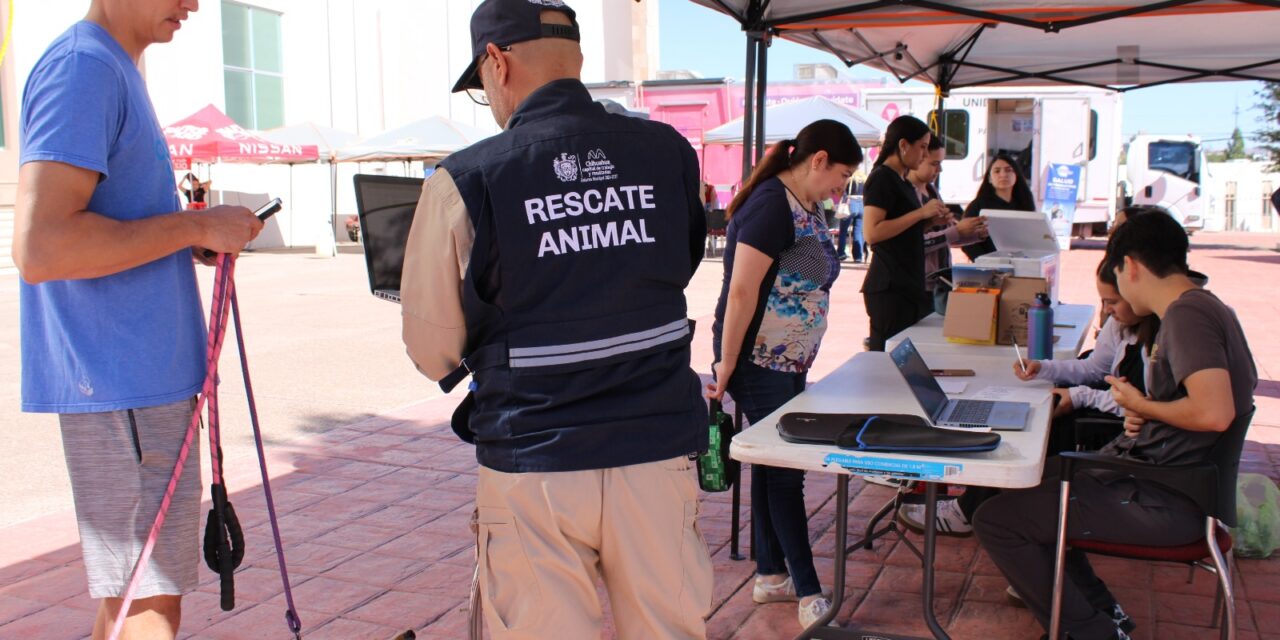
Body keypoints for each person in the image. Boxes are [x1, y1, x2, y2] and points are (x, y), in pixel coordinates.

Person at [399, 1, 712, 637]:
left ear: (495, 62)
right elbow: (677, 267)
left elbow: (432, 350)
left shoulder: (464, 179)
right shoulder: (668, 151)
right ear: (575, 58)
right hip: (655, 451)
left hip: (534, 460)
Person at [12, 2, 263, 639]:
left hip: (134, 386)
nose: (194, 4)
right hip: (121, 383)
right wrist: (196, 224)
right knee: (150, 602)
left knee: (134, 597)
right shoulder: (84, 68)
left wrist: (186, 239)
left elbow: (102, 227)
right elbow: (43, 247)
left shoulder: (109, 66)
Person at [971, 210, 1256, 640]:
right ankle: (1105, 614)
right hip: (1165, 481)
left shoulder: (1186, 317)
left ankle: (1091, 632)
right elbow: (1203, 407)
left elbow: (1215, 413)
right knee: (1019, 484)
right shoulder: (1208, 307)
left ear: (1132, 267)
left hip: (1163, 498)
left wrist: (1144, 404)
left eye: (1117, 277)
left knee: (997, 520)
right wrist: (1151, 410)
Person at [707, 119, 862, 628]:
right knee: (784, 471)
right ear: (817, 160)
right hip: (757, 359)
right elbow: (741, 292)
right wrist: (727, 364)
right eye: (841, 176)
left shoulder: (807, 203)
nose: (843, 189)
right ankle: (809, 591)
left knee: (771, 462)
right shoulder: (772, 205)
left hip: (788, 359)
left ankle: (771, 575)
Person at [898, 257, 1158, 536]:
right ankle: (979, 507)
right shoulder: (1121, 325)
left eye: (1113, 302)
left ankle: (979, 512)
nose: (1106, 310)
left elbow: (1140, 404)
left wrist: (1080, 396)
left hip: (1119, 432)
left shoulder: (1160, 340)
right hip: (1104, 413)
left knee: (1036, 431)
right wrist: (1043, 368)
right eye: (1104, 301)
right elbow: (1096, 368)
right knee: (1027, 421)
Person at [861, 115, 950, 351]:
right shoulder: (882, 178)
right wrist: (920, 214)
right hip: (889, 287)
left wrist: (930, 222)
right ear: (903, 145)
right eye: (921, 147)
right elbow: (872, 232)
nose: (924, 154)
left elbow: (902, 231)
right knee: (890, 357)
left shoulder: (901, 181)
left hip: (908, 284)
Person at [908, 137, 988, 314]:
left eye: (941, 163)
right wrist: (957, 231)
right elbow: (914, 242)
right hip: (914, 286)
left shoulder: (931, 190)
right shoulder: (907, 194)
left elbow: (945, 236)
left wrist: (973, 233)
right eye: (934, 164)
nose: (939, 170)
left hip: (937, 283)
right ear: (919, 158)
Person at [961, 153, 1036, 261]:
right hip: (989, 267)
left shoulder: (1025, 203)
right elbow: (966, 240)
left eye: (1008, 170)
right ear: (989, 178)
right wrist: (984, 262)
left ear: (1016, 175)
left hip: (1021, 263)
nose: (1003, 175)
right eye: (997, 171)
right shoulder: (979, 205)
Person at [835, 176, 865, 262]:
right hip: (861, 204)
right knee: (858, 231)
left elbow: (840, 190)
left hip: (850, 203)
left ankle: (841, 253)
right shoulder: (864, 178)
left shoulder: (850, 178)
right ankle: (858, 256)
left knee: (843, 231)